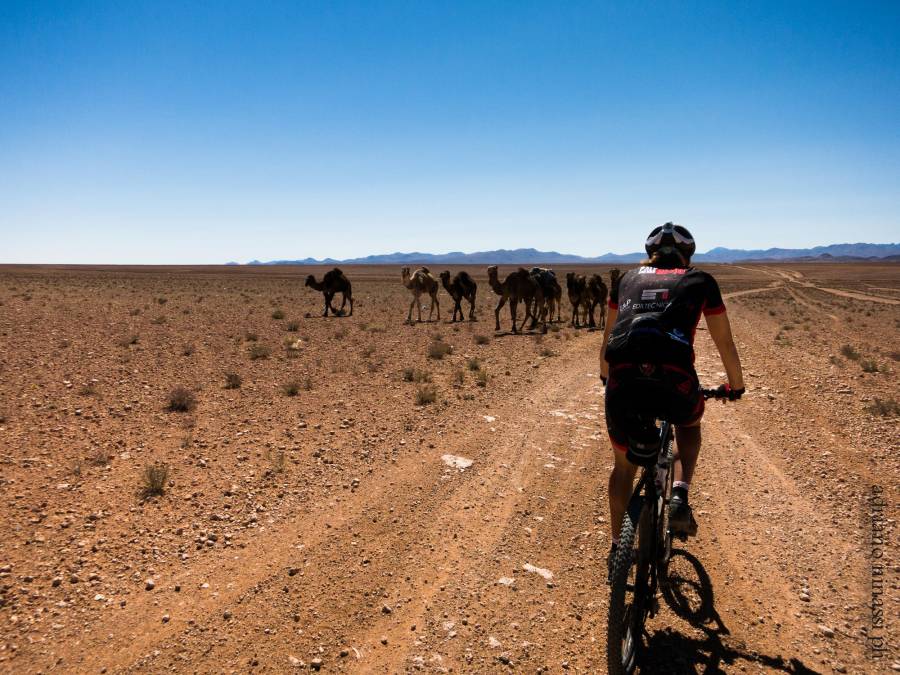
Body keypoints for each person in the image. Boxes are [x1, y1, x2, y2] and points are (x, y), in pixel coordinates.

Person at [599, 222, 745, 573]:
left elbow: (607, 337)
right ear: (688, 254)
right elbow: (724, 342)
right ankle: (679, 491)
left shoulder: (625, 280)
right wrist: (735, 386)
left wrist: (607, 377)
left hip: (623, 382)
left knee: (623, 468)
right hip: (675, 382)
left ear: (649, 252)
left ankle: (619, 548)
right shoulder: (701, 281)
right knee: (689, 423)